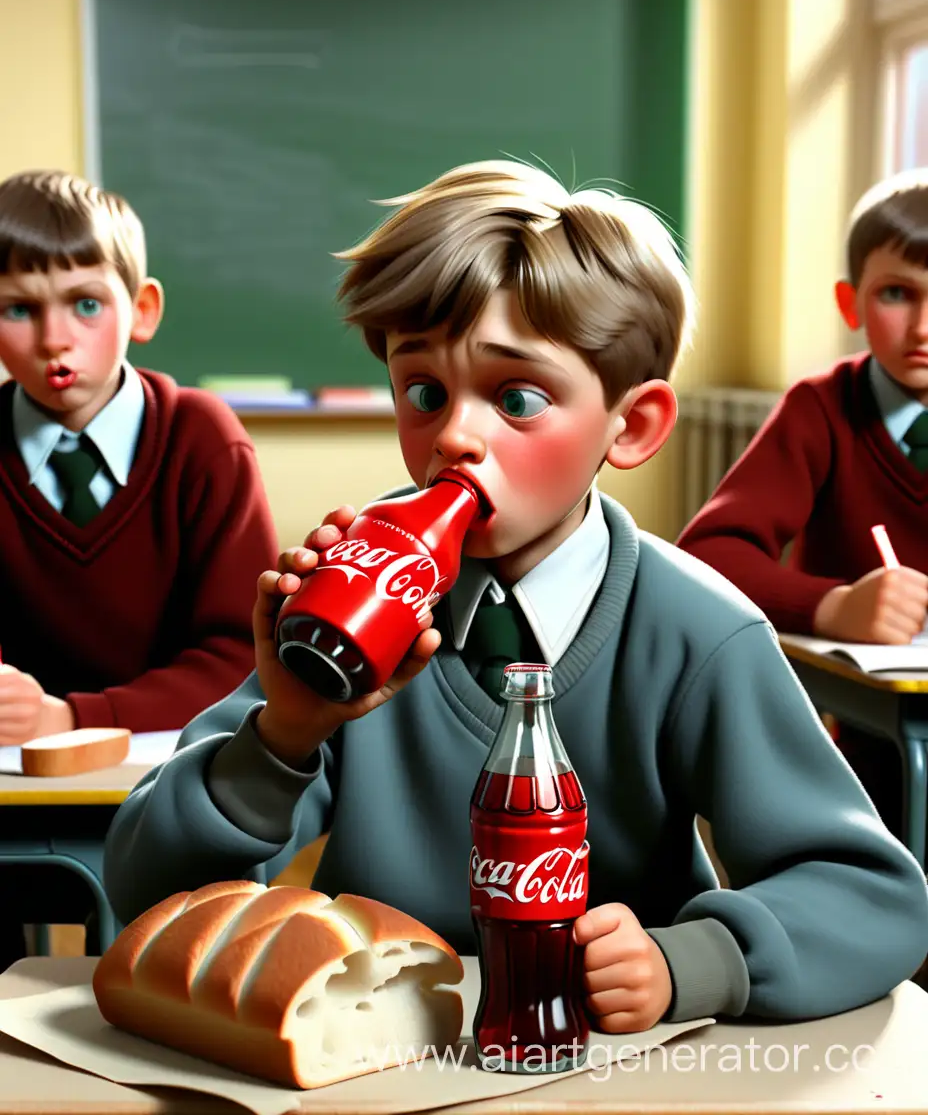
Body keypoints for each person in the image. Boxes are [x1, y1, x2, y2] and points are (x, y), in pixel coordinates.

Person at [104, 160, 928, 1031]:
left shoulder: (697, 630)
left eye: (517, 398)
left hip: (619, 1067)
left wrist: (692, 961)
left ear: (632, 425)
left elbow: (875, 899)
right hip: (378, 1044)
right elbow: (149, 889)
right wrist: (283, 734)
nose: (454, 434)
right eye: (423, 392)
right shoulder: (359, 593)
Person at [0, 169, 278, 965]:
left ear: (141, 309)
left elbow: (242, 657)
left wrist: (71, 717)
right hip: (17, 791)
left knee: (177, 966)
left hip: (174, 781)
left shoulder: (203, 441)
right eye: (18, 309)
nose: (55, 339)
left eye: (86, 304)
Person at [677, 168, 928, 835]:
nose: (923, 327)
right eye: (898, 294)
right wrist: (836, 605)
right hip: (872, 757)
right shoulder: (821, 410)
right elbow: (708, 555)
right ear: (851, 305)